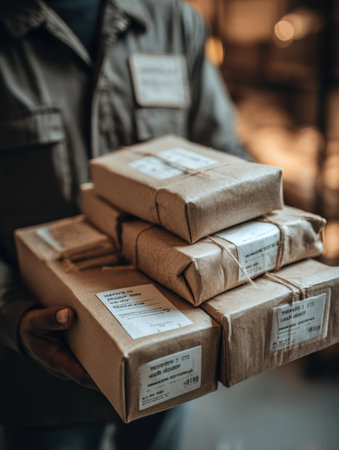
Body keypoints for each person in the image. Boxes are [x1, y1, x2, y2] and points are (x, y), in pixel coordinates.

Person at [0, 0, 248, 448]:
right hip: (40, 376)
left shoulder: (174, 22)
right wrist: (12, 315)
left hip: (171, 351)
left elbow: (226, 158)